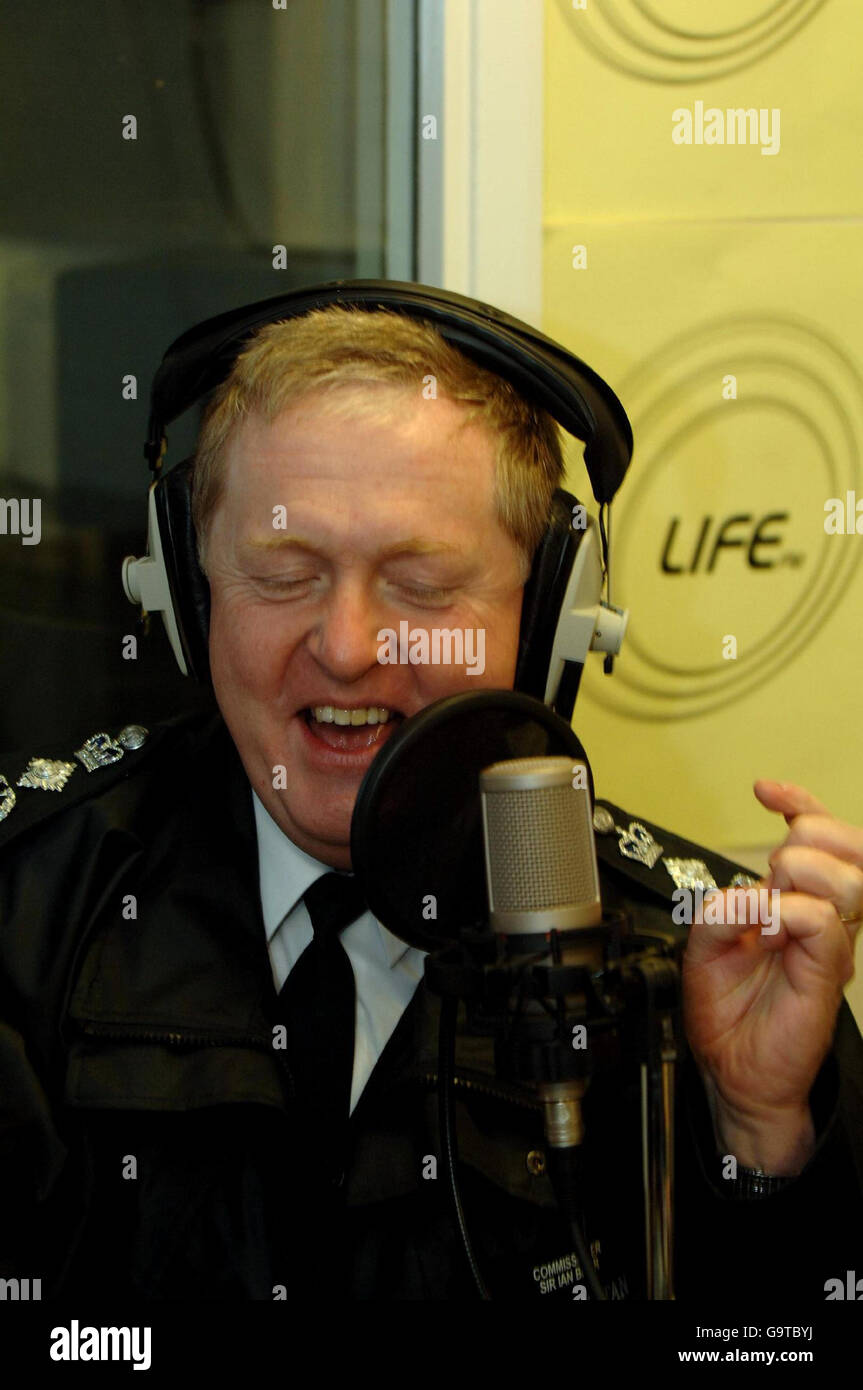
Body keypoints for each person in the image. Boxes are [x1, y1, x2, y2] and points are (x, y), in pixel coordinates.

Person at [1, 298, 861, 1302]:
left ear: (544, 623)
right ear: (191, 598)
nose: (348, 644)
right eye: (284, 574)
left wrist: (761, 1139)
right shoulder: (28, 917)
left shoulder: (686, 965)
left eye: (418, 585)